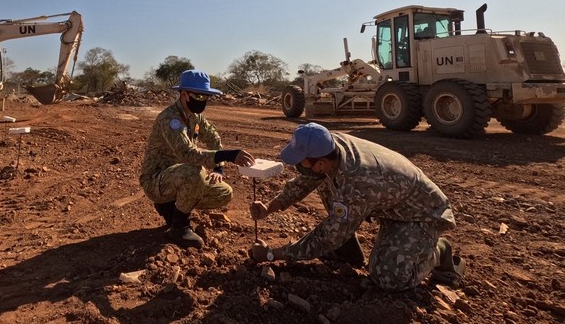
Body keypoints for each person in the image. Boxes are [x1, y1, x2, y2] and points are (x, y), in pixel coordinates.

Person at [249, 123, 465, 290]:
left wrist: (272, 254)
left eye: (301, 161)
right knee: (323, 181)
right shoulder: (329, 146)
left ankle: (439, 250)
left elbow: (327, 236)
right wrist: (271, 206)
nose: (297, 166)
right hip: (389, 201)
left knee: (389, 277)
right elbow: (305, 181)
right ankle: (347, 252)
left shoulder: (356, 182)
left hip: (420, 213)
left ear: (320, 161)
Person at [140, 70, 255, 249]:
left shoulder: (195, 116)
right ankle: (179, 227)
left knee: (223, 192)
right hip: (157, 180)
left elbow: (213, 137)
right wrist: (229, 155)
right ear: (184, 94)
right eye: (199, 95)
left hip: (178, 176)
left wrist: (219, 168)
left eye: (206, 96)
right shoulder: (170, 119)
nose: (203, 101)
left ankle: (171, 208)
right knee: (195, 171)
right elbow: (187, 154)